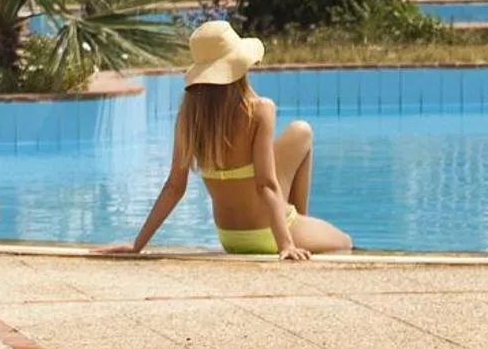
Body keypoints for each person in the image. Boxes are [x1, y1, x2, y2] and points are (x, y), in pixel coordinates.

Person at [96, 20, 350, 260]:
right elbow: (266, 185)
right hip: (269, 233)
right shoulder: (260, 109)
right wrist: (285, 244)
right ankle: (296, 227)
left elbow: (174, 187)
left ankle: (299, 223)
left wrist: (137, 244)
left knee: (300, 132)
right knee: (344, 242)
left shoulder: (189, 117)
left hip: (229, 237)